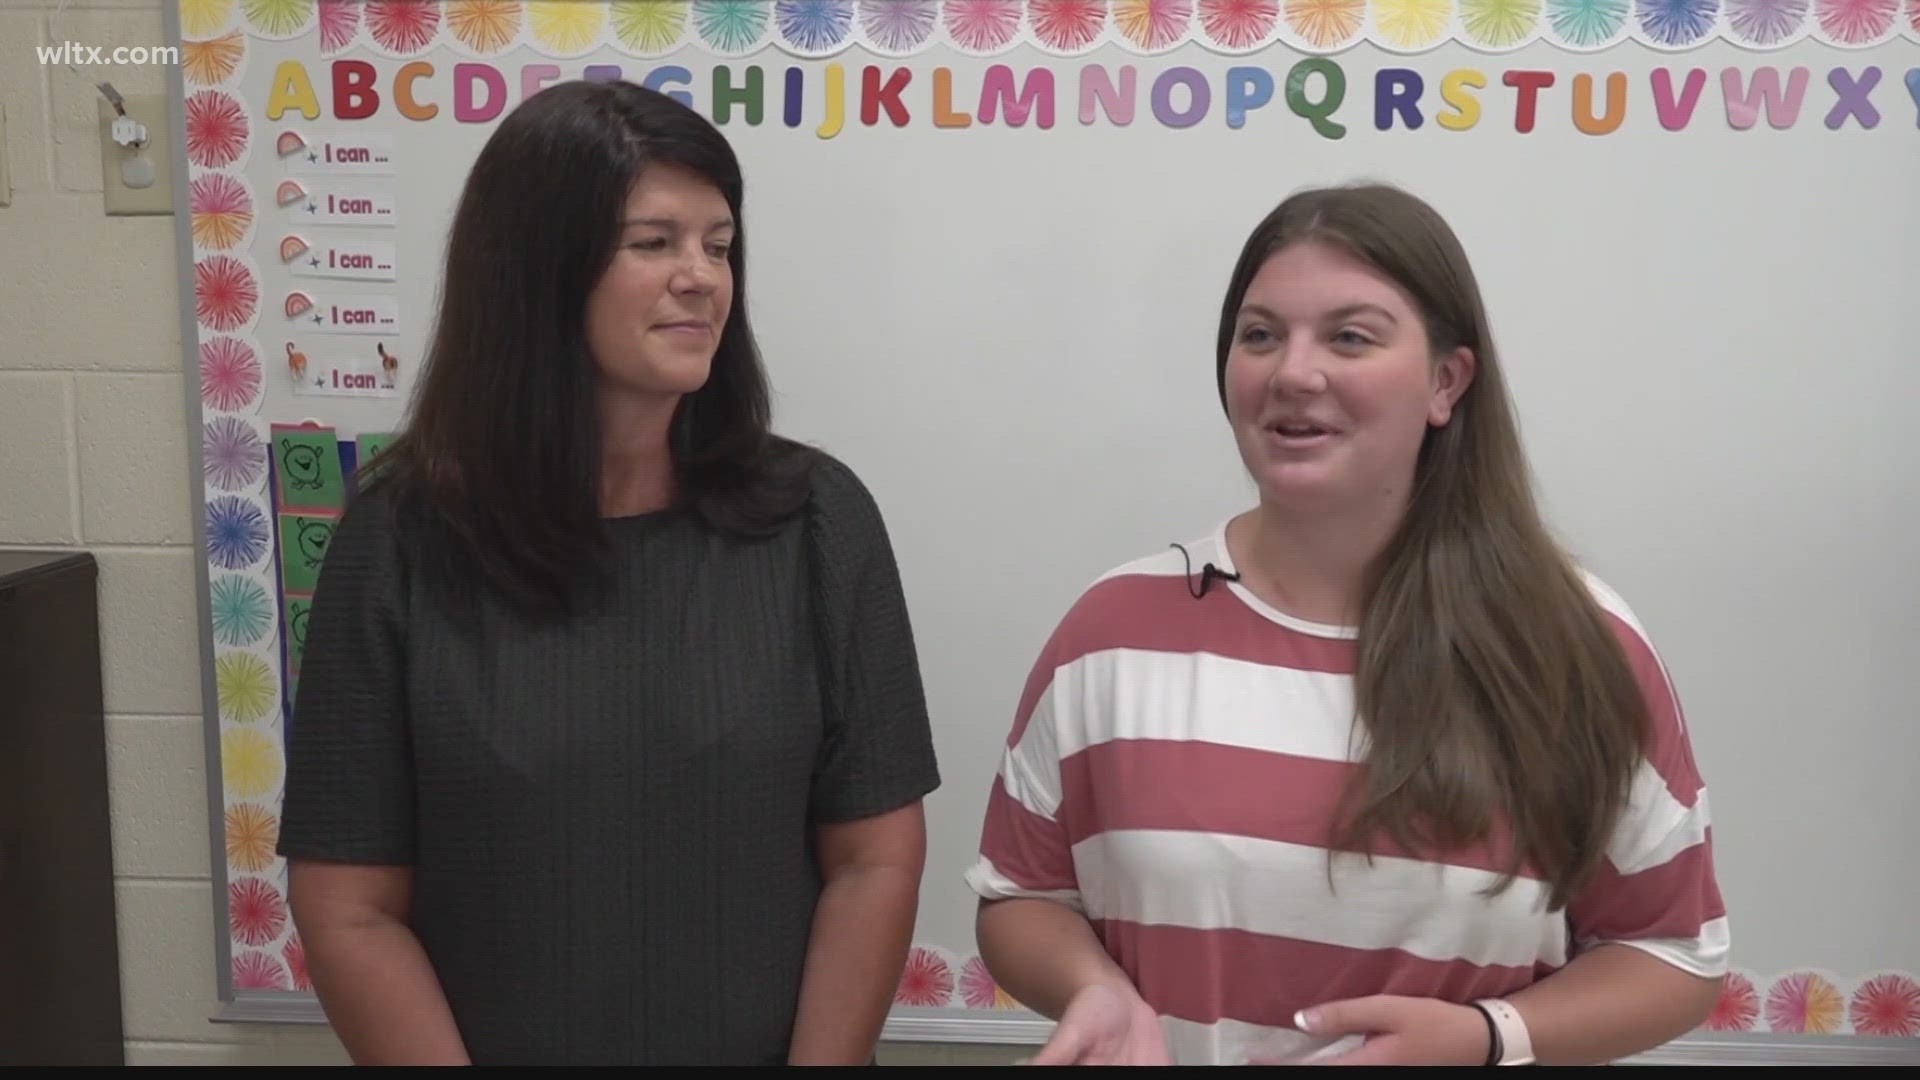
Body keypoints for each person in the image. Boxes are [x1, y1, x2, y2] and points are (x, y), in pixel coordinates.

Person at [966, 183, 1728, 1066]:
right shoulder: (1112, 630)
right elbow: (1022, 897)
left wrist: (1486, 1038)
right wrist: (1093, 988)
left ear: (1446, 382)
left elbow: (1673, 952)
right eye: (1259, 335)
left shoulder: (1577, 645)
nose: (1292, 372)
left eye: (1350, 337)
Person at [277, 79, 941, 1066]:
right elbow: (350, 905)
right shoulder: (402, 537)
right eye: (654, 242)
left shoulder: (815, 520)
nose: (703, 277)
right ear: (539, 269)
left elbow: (875, 859)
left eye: (718, 246)